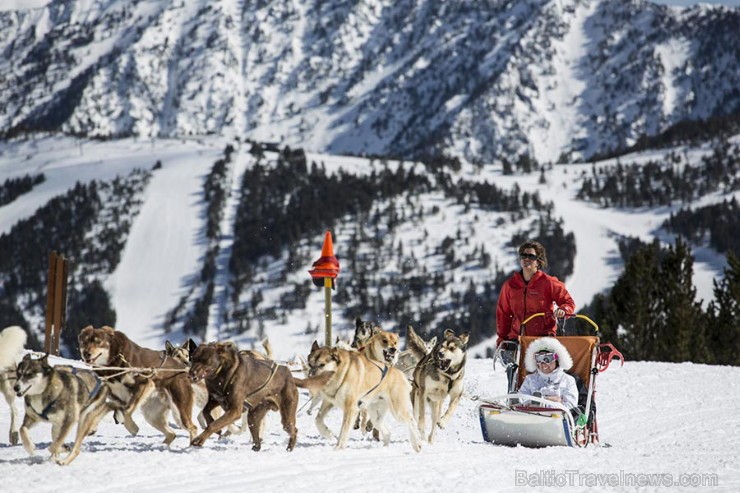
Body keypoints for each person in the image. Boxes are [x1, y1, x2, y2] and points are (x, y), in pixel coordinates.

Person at [496, 240, 576, 346]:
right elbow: (503, 314)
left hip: (543, 339)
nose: (526, 259)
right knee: (516, 363)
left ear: (538, 261)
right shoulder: (510, 285)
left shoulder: (548, 282)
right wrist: (502, 340)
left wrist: (563, 310)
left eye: (531, 256)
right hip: (516, 339)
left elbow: (568, 302)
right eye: (523, 255)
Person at [518, 337, 578, 410]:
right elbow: (522, 399)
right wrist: (549, 399)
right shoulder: (530, 379)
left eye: (548, 358)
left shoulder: (568, 380)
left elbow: (571, 405)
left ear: (557, 359)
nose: (543, 363)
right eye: (539, 358)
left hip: (558, 419)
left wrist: (544, 403)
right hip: (531, 418)